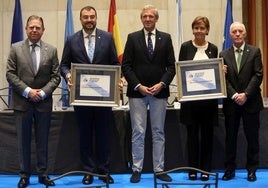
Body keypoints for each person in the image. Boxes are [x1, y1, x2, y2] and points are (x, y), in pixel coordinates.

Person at [60, 6, 119, 185]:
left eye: (92, 16)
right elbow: (63, 65)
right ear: (80, 19)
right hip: (81, 97)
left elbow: (115, 63)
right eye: (85, 17)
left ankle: (104, 171)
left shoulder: (107, 37)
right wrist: (69, 75)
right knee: (85, 135)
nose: (89, 20)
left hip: (103, 97)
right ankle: (88, 171)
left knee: (103, 135)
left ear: (96, 18)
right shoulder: (71, 40)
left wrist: (119, 79)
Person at [121, 5, 176, 183]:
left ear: (156, 19)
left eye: (151, 16)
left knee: (158, 132)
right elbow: (126, 66)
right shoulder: (132, 38)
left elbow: (171, 66)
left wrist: (162, 84)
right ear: (141, 19)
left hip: (159, 93)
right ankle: (137, 169)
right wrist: (138, 85)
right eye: (144, 16)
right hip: (137, 93)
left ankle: (159, 169)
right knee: (138, 132)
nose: (147, 19)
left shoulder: (166, 38)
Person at [6, 15, 60, 188]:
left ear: (43, 30)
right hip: (22, 103)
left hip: (43, 103)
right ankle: (24, 175)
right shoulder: (15, 48)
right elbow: (10, 74)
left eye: (38, 27)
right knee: (23, 142)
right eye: (31, 27)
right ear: (26, 29)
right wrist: (28, 91)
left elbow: (56, 76)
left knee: (43, 141)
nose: (34, 30)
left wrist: (43, 93)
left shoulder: (51, 50)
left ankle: (43, 174)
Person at [220, 22, 263, 182]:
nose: (237, 34)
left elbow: (258, 75)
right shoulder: (223, 54)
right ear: (230, 35)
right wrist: (234, 95)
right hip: (232, 104)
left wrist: (245, 94)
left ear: (244, 34)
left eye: (240, 31)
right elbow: (223, 79)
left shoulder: (255, 51)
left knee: (252, 138)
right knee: (230, 138)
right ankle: (229, 169)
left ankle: (252, 170)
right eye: (234, 32)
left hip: (251, 102)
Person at [178, 16, 218, 181]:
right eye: (196, 28)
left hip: (209, 103)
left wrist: (220, 72)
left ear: (207, 30)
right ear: (192, 30)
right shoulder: (185, 47)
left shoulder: (214, 49)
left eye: (202, 28)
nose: (199, 31)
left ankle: (205, 170)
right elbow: (180, 71)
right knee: (192, 137)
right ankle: (193, 170)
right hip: (191, 103)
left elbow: (215, 74)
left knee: (207, 136)